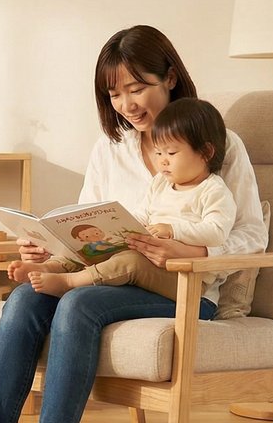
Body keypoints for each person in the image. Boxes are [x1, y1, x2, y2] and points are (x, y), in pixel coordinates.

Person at [0, 25, 267, 423]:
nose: (127, 104)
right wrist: (47, 243)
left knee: (79, 303)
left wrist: (186, 246)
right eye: (115, 93)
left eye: (137, 88)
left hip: (184, 288)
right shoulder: (111, 147)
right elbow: (83, 224)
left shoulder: (218, 142)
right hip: (111, 274)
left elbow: (252, 237)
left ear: (170, 77)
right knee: (23, 299)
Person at [28, 97, 237, 302]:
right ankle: (52, 266)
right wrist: (119, 226)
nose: (162, 161)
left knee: (129, 261)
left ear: (206, 152)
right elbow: (141, 214)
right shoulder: (160, 183)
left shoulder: (213, 190)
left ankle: (70, 282)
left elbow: (216, 232)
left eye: (171, 153)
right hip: (151, 264)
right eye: (158, 152)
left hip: (185, 279)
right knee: (95, 246)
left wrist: (173, 230)